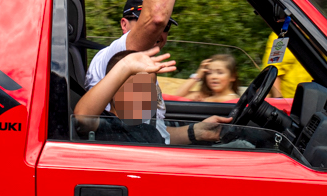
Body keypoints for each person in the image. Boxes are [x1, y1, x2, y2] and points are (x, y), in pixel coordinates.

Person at [84, 0, 200, 141]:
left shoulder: (146, 71)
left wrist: (196, 133)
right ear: (124, 25)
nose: (160, 32)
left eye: (167, 28)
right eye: (141, 22)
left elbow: (156, 135)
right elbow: (155, 18)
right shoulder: (120, 56)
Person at [75, 48, 229, 145]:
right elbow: (82, 117)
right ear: (112, 91)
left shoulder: (147, 128)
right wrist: (125, 66)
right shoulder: (105, 125)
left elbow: (164, 137)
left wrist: (197, 131)